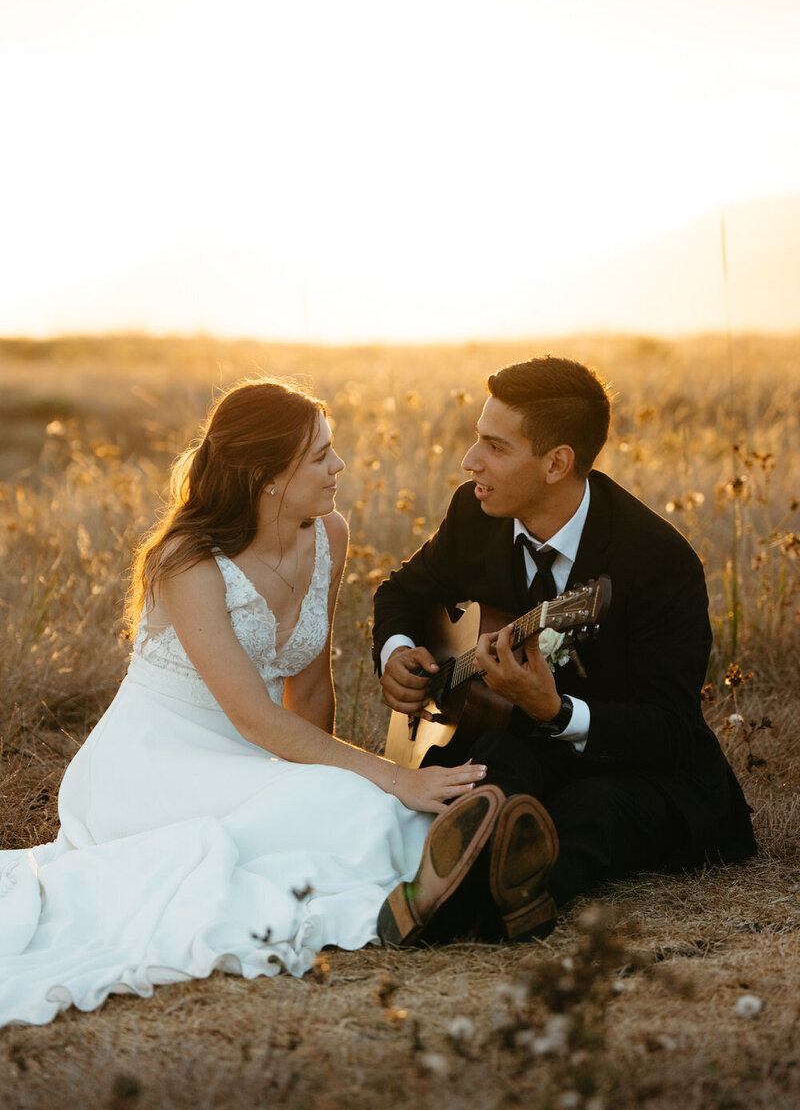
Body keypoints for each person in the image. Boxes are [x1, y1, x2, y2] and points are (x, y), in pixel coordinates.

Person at [0, 378, 488, 1028]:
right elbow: (256, 717)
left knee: (347, 802)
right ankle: (425, 896)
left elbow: (309, 687)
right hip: (150, 765)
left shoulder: (329, 533)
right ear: (267, 477)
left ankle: (470, 878)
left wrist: (326, 777)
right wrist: (390, 775)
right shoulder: (186, 562)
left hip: (247, 751)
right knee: (362, 801)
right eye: (320, 456)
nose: (339, 467)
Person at [373, 356, 757, 946]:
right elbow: (403, 591)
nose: (470, 461)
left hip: (630, 765)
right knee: (495, 765)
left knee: (592, 811)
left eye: (494, 447)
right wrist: (396, 653)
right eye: (477, 440)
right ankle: (483, 856)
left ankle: (495, 896)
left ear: (557, 463)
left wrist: (557, 712)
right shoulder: (474, 513)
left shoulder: (658, 561)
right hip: (511, 741)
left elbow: (671, 730)